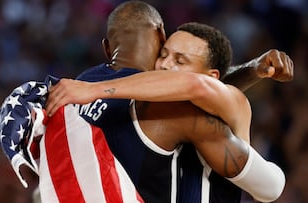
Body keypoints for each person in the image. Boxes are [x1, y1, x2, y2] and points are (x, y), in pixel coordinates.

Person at [45, 1, 293, 202]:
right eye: (164, 54)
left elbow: (195, 86)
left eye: (179, 60)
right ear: (161, 34)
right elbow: (185, 85)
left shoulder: (82, 84)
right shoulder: (173, 108)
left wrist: (94, 90)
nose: (165, 64)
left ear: (107, 48)